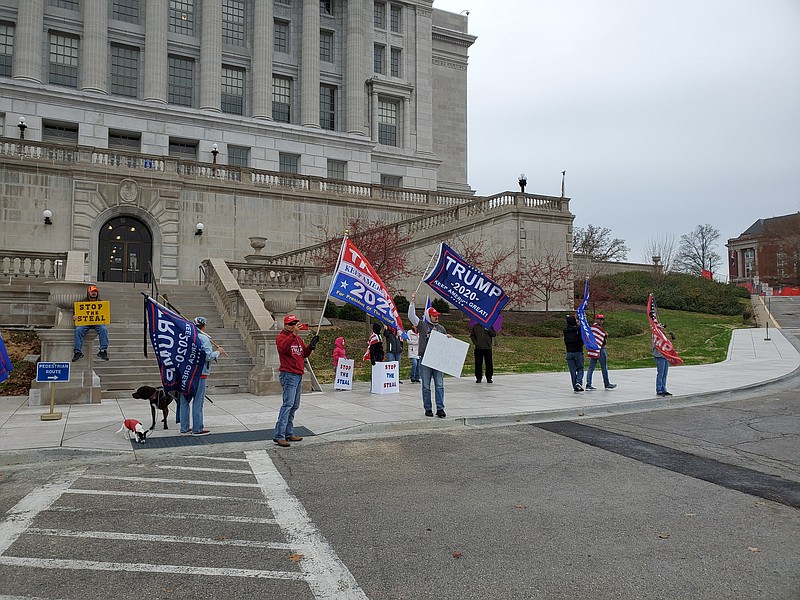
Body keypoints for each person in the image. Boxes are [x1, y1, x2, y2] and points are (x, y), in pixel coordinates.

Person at [274, 314, 319, 447]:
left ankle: (288, 432)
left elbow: (303, 353)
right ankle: (279, 435)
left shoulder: (298, 338)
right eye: (291, 324)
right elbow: (283, 349)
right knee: (287, 404)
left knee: (294, 405)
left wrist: (310, 346)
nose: (294, 326)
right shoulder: (282, 337)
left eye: (295, 323)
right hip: (288, 374)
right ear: (285, 325)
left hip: (298, 373)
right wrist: (293, 335)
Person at [408, 292, 449, 418]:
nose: (436, 317)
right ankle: (428, 408)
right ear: (428, 316)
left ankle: (440, 408)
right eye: (434, 316)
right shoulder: (422, 325)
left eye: (437, 315)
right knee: (426, 386)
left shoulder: (441, 328)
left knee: (439, 385)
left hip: (438, 360)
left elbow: (445, 345)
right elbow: (411, 316)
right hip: (425, 359)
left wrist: (448, 339)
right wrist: (412, 302)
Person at [179, 316, 222, 436]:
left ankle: (184, 428)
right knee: (198, 403)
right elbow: (208, 356)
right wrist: (218, 352)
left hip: (186, 375)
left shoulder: (186, 337)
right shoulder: (204, 338)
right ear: (203, 326)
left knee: (184, 402)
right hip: (199, 375)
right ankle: (197, 428)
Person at [72, 284, 109, 361]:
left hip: (97, 323)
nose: (94, 293)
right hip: (85, 323)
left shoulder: (101, 303)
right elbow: (76, 312)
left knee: (103, 329)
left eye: (95, 291)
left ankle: (103, 350)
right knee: (78, 330)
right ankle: (77, 352)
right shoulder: (82, 303)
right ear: (88, 292)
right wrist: (74, 316)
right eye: (92, 291)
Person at [586, 314, 617, 390]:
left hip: (593, 349)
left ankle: (588, 384)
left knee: (591, 367)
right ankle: (607, 384)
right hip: (600, 349)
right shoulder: (598, 329)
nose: (601, 321)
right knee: (603, 367)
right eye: (599, 319)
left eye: (602, 319)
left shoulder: (592, 328)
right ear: (596, 319)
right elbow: (602, 338)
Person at [563, 314, 584, 392]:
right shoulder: (578, 329)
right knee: (580, 368)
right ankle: (578, 382)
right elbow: (582, 338)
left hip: (569, 352)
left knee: (572, 370)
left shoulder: (565, 330)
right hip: (578, 351)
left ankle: (575, 385)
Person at [653, 322, 673, 397]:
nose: (663, 329)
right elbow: (658, 346)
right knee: (660, 374)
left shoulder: (663, 337)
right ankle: (659, 390)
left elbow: (668, 347)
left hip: (665, 357)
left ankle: (664, 389)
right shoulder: (656, 337)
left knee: (665, 374)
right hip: (659, 356)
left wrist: (671, 340)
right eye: (662, 327)